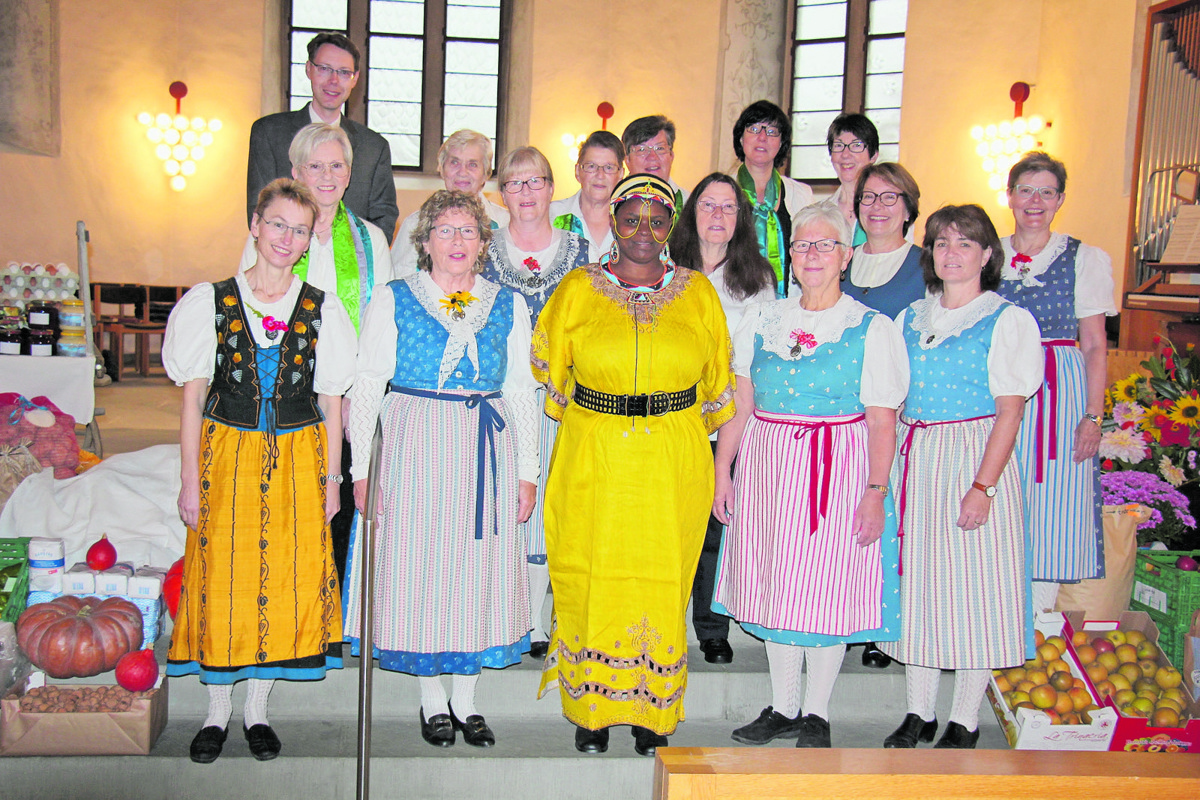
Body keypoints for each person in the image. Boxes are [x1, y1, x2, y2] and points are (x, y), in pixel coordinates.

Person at [533, 174, 736, 757]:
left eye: (656, 219)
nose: (643, 231)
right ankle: (591, 710)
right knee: (591, 572)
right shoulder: (577, 289)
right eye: (631, 218)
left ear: (671, 226)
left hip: (672, 459)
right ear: (614, 221)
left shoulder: (697, 292)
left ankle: (654, 710)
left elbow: (718, 385)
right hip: (595, 454)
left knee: (664, 579)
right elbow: (550, 367)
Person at [165, 178, 356, 764]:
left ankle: (258, 710)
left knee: (283, 578)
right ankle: (217, 711)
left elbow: (331, 404)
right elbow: (193, 401)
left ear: (307, 241)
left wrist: (332, 482)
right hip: (227, 453)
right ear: (255, 225)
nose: (286, 237)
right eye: (277, 224)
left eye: (299, 230)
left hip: (300, 459)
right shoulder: (213, 301)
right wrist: (189, 479)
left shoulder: (321, 308)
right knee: (225, 577)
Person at [342, 190, 539, 750]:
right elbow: (367, 382)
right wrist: (360, 468)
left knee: (477, 566)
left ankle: (467, 700)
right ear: (425, 242)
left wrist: (527, 470)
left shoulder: (508, 303)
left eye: (468, 231)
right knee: (420, 568)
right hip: (413, 449)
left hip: (485, 452)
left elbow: (522, 391)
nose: (457, 241)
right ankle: (433, 701)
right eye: (445, 231)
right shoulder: (395, 297)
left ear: (483, 244)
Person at [712, 203, 908, 748]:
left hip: (836, 466)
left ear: (846, 256)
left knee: (824, 587)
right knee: (776, 581)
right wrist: (722, 471)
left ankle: (816, 712)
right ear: (790, 256)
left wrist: (875, 492)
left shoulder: (872, 328)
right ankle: (782, 704)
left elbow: (882, 419)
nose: (813, 254)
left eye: (826, 245)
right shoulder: (764, 318)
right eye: (803, 245)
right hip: (768, 465)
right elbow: (741, 403)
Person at [879, 204, 1043, 749]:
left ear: (987, 254)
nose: (951, 253)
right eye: (942, 243)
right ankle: (918, 712)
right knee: (922, 587)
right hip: (918, 457)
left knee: (975, 588)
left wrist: (983, 486)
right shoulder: (910, 318)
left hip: (974, 456)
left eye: (964, 243)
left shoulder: (1006, 320)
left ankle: (964, 719)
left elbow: (1012, 409)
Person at [237, 122, 394, 589]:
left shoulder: (371, 240)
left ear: (349, 174)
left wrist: (357, 396)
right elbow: (249, 307)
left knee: (338, 501)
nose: (327, 176)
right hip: (280, 392)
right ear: (295, 171)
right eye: (315, 165)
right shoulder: (272, 234)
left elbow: (380, 326)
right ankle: (277, 599)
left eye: (337, 165)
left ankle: (332, 615)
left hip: (345, 396)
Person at [483, 146, 591, 657]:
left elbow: (591, 321)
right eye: (514, 183)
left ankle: (546, 617)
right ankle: (513, 612)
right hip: (500, 400)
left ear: (553, 188)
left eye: (535, 181)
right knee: (510, 502)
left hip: (562, 401)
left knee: (553, 504)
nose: (525, 192)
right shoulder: (482, 248)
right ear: (500, 194)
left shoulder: (579, 249)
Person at [997, 152, 1115, 614]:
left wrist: (1092, 415)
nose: (1035, 200)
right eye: (1026, 189)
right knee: (1000, 497)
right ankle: (996, 624)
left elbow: (1094, 345)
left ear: (1060, 199)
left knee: (1054, 507)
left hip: (1059, 393)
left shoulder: (1083, 258)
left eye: (1046, 192)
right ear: (1009, 196)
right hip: (1000, 387)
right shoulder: (988, 253)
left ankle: (1039, 627)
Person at [669, 172, 775, 665]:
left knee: (715, 521)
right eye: (708, 205)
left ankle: (711, 626)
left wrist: (725, 457)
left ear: (741, 220)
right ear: (691, 214)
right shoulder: (665, 267)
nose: (717, 216)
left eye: (728, 207)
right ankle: (663, 617)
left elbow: (748, 370)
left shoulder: (757, 282)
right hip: (665, 417)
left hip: (726, 418)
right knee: (666, 524)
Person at [247, 32, 398, 243]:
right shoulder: (269, 133)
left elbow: (383, 216)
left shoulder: (374, 147)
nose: (334, 81)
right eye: (325, 69)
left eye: (344, 72)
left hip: (351, 266)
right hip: (285, 261)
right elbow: (259, 208)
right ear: (309, 69)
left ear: (355, 79)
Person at [391, 130, 510, 277]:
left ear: (485, 173)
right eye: (454, 162)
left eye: (472, 164)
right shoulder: (415, 224)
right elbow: (399, 278)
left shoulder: (505, 223)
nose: (462, 172)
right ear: (441, 168)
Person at [731, 100, 815, 297]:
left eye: (771, 131)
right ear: (741, 139)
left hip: (788, 304)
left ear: (781, 143)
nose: (762, 137)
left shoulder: (802, 195)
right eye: (753, 128)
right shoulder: (721, 192)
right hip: (733, 303)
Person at [842, 162, 926, 319]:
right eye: (868, 196)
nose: (877, 206)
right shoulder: (842, 260)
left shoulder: (927, 265)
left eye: (889, 197)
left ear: (908, 210)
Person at [551, 130, 625, 257]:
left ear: (621, 174)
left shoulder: (632, 223)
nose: (600, 175)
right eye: (591, 166)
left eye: (609, 168)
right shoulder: (552, 215)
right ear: (577, 171)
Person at [825, 114, 880, 247]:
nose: (845, 154)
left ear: (873, 156)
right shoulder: (823, 211)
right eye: (838, 146)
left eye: (856, 145)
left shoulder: (889, 209)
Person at [622, 115, 689, 208]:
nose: (652, 157)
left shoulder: (689, 204)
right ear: (627, 160)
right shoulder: (612, 202)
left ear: (671, 156)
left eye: (660, 148)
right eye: (641, 149)